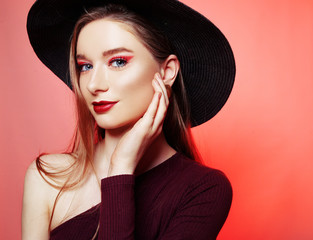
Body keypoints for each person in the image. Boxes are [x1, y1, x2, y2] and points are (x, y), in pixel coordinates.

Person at [23, 0, 236, 239]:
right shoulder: (49, 176)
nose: (93, 84)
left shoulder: (203, 191)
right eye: (85, 66)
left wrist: (120, 171)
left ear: (167, 72)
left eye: (118, 62)